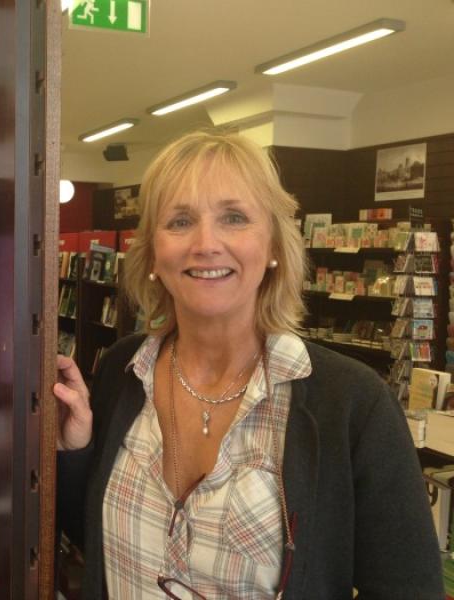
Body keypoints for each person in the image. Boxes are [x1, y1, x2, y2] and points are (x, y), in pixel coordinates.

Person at [54, 130, 443, 599]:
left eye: (234, 218)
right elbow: (94, 541)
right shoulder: (123, 370)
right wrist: (74, 454)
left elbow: (407, 587)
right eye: (179, 221)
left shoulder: (353, 405)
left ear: (275, 246)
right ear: (153, 251)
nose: (206, 243)